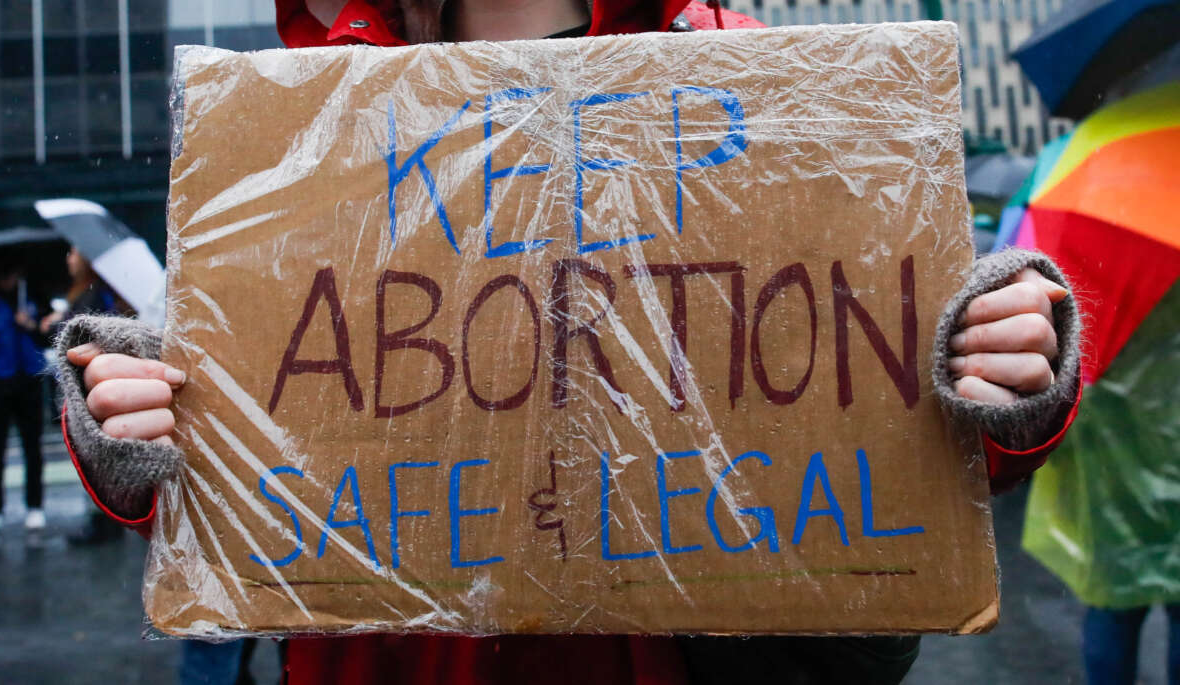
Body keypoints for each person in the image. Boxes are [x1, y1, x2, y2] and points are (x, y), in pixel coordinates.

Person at [52, 1, 1084, 683]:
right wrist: (135, 430)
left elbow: (877, 450)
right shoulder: (301, 111)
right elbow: (269, 480)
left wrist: (1000, 367)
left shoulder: (749, 65)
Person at [37, 247, 122, 544]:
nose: (68, 258)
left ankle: (103, 521)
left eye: (73, 253)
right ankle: (103, 519)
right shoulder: (86, 293)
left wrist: (59, 324)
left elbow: (84, 338)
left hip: (87, 387)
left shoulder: (93, 295)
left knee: (94, 456)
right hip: (85, 386)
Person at [0, 262, 48, 535]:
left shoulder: (32, 296)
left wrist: (30, 324)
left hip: (29, 379)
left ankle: (35, 506)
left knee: (33, 447)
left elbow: (47, 336)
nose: (9, 279)